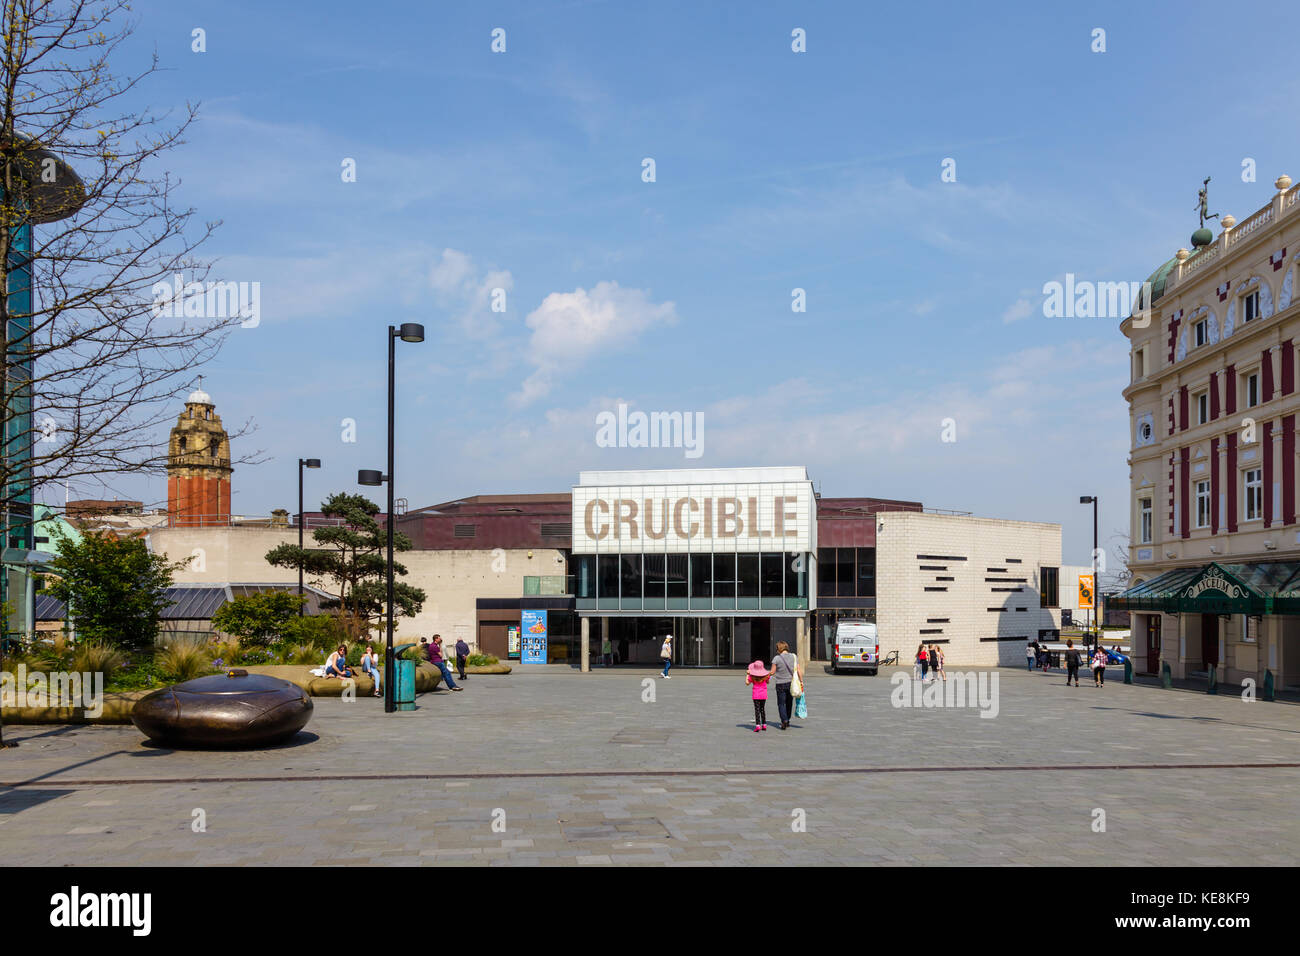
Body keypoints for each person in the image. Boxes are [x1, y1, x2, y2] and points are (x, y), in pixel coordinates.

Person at [770, 640, 803, 730]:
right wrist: (801, 681)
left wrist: (763, 675)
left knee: (781, 704)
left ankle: (784, 720)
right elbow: (798, 670)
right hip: (791, 684)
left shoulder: (776, 658)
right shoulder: (794, 656)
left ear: (779, 649)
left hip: (780, 684)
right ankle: (787, 720)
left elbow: (772, 672)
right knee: (789, 703)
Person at [746, 660, 771, 732]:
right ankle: (764, 724)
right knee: (762, 709)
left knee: (757, 710)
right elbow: (768, 682)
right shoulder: (765, 677)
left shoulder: (752, 677)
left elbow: (747, 683)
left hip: (756, 695)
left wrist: (747, 674)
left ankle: (757, 725)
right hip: (763, 695)